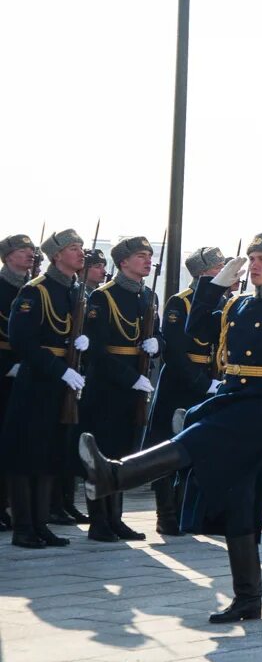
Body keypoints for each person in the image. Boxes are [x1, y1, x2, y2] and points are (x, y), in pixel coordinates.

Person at [82, 235, 262, 621]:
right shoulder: (239, 304)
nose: (254, 264)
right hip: (232, 397)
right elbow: (197, 329)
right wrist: (217, 285)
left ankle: (115, 473)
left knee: (193, 437)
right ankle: (248, 599)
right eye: (252, 258)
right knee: (240, 502)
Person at [3, 229, 88, 549]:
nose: (80, 253)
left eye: (80, 247)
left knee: (51, 454)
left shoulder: (75, 290)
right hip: (37, 382)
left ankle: (42, 524)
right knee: (27, 455)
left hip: (61, 385)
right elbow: (22, 341)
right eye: (73, 248)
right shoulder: (35, 290)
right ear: (56, 256)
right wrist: (60, 369)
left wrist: (83, 345)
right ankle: (24, 528)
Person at [79, 236, 163, 543]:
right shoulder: (103, 297)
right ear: (123, 262)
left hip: (134, 385)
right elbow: (97, 350)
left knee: (124, 454)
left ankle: (116, 518)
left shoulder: (148, 296)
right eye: (141, 255)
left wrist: (157, 345)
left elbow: (158, 336)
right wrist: (130, 378)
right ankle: (99, 521)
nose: (147, 261)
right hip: (107, 388)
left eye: (149, 255)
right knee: (101, 454)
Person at [142, 246, 228, 536]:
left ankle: (191, 512)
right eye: (218, 267)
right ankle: (166, 515)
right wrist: (204, 384)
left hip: (210, 379)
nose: (223, 270)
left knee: (202, 450)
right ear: (203, 273)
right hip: (181, 383)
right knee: (167, 445)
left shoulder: (226, 301)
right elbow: (176, 351)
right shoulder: (181, 303)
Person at [0, 233, 39, 534]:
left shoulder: (35, 289)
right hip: (4, 372)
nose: (30, 254)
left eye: (31, 249)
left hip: (31, 371)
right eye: (23, 249)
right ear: (8, 255)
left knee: (22, 443)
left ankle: (19, 507)